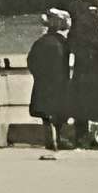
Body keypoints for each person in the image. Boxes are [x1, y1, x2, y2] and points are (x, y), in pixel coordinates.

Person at [64, 0, 98, 151]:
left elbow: (73, 41)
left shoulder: (81, 18)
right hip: (94, 67)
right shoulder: (94, 17)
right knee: (96, 102)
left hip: (84, 67)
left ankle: (83, 137)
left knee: (82, 104)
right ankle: (91, 137)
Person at [25, 9, 72, 150]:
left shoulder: (40, 42)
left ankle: (50, 140)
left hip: (44, 82)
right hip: (59, 82)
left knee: (46, 115)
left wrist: (39, 76)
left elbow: (31, 62)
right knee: (59, 112)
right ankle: (58, 139)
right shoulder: (63, 43)